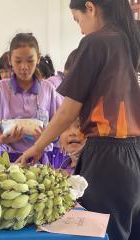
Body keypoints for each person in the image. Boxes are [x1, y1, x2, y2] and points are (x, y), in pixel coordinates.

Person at [17, 1, 140, 239]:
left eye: (77, 20)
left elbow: (68, 110)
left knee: (101, 232)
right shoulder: (130, 40)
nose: (81, 29)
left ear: (90, 8)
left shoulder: (96, 42)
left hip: (108, 160)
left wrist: (38, 146)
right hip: (134, 155)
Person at [0, 33, 61, 162]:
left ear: (38, 58)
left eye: (30, 60)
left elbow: (58, 124)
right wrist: (1, 138)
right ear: (10, 60)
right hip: (8, 156)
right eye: (18, 61)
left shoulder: (48, 89)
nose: (24, 67)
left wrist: (46, 137)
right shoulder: (1, 88)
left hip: (40, 155)